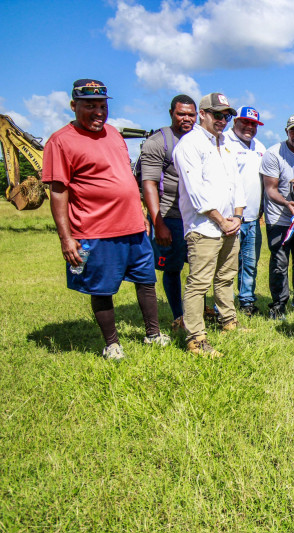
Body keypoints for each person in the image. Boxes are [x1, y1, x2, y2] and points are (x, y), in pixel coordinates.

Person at [43, 78, 170, 360]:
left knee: (146, 280)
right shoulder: (60, 141)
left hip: (133, 227)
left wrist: (140, 212)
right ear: (74, 105)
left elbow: (124, 177)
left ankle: (153, 334)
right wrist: (66, 238)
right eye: (90, 106)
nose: (98, 112)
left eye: (102, 105)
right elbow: (58, 192)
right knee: (101, 287)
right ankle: (112, 344)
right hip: (95, 230)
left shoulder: (113, 134)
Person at [174, 92, 246, 358]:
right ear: (202, 114)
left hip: (230, 225)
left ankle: (229, 322)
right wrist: (221, 220)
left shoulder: (225, 143)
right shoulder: (189, 144)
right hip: (204, 227)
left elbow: (236, 184)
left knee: (226, 277)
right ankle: (196, 338)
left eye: (226, 116)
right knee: (199, 283)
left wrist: (237, 216)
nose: (223, 120)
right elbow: (196, 192)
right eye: (217, 115)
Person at [140, 94, 197, 331]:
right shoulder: (158, 142)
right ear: (171, 113)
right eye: (181, 114)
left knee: (199, 267)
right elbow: (149, 184)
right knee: (172, 268)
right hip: (170, 216)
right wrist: (158, 223)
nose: (186, 118)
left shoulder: (200, 139)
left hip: (196, 217)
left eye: (191, 114)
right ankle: (178, 316)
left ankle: (197, 311)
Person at [260, 115, 294, 320]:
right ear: (287, 132)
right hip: (279, 218)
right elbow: (270, 190)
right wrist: (286, 203)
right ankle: (278, 305)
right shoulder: (273, 154)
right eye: (293, 131)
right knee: (279, 263)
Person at [223, 106, 267, 317]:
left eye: (254, 124)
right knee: (227, 264)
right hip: (230, 217)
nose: (250, 127)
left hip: (253, 218)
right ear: (235, 122)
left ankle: (247, 301)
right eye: (245, 122)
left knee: (249, 263)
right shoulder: (224, 142)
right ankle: (223, 304)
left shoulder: (260, 147)